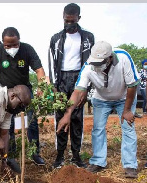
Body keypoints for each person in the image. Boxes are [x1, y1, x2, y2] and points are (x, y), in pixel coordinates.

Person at [57, 41, 140, 178]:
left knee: (128, 128)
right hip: (101, 99)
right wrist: (67, 114)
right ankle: (98, 161)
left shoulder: (124, 58)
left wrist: (127, 110)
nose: (95, 66)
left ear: (110, 59)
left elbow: (132, 85)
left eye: (99, 63)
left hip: (124, 98)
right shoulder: (88, 66)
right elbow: (77, 92)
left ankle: (130, 165)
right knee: (97, 129)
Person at [0, 27, 46, 166]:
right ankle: (11, 154)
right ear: (3, 43)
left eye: (15, 45)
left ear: (19, 40)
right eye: (8, 45)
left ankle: (34, 153)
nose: (12, 48)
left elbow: (39, 69)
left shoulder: (27, 49)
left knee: (31, 121)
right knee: (8, 124)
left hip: (25, 91)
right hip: (7, 93)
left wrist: (42, 86)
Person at [49, 3, 94, 169]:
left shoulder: (88, 38)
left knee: (76, 118)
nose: (69, 24)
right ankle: (60, 156)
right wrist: (54, 86)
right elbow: (51, 63)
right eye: (66, 20)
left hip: (79, 79)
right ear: (63, 17)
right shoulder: (56, 39)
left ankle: (76, 155)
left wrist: (86, 88)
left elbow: (90, 64)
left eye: (72, 21)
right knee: (61, 118)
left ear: (78, 18)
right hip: (61, 80)